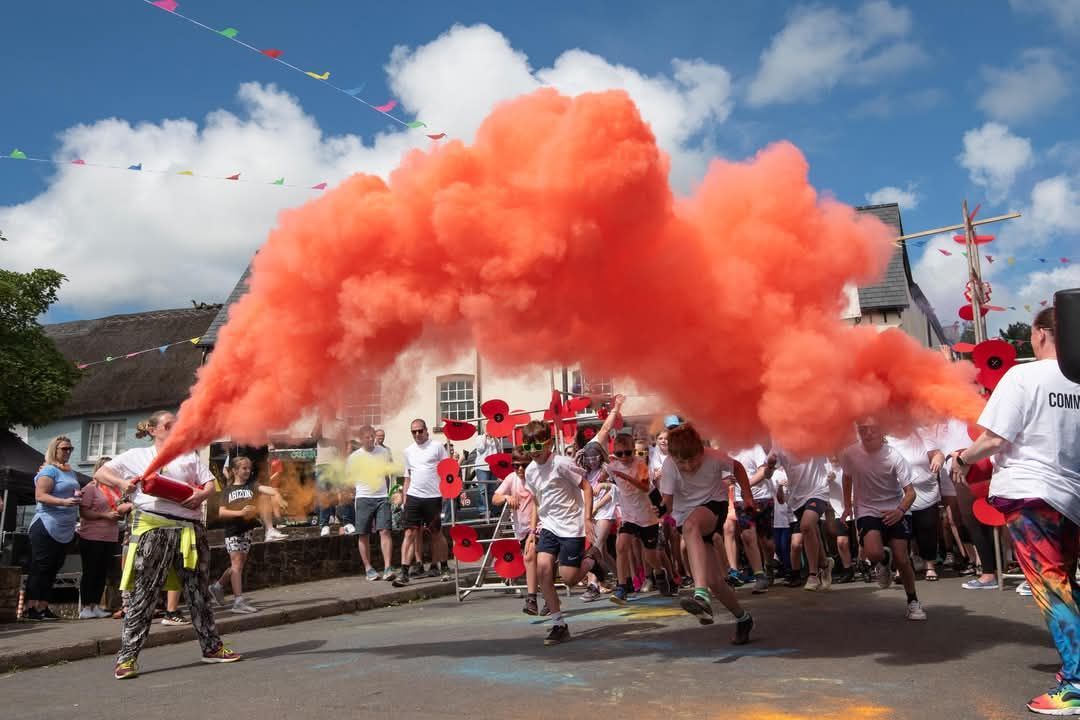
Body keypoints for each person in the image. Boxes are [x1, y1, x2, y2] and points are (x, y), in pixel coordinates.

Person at [950, 307, 1080, 715]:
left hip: (1030, 497)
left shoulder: (1023, 376)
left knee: (1052, 588)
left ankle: (1077, 684)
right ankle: (1074, 670)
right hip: (1071, 498)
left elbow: (992, 439)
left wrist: (962, 460)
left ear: (1042, 333)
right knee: (1066, 585)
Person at [95, 411, 241, 679]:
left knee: (198, 592)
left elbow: (210, 484)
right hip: (155, 528)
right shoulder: (136, 456)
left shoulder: (188, 455)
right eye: (168, 426)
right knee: (145, 594)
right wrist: (123, 483)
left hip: (190, 529)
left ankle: (212, 648)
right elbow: (102, 472)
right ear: (152, 430)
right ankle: (127, 659)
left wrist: (200, 494)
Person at [658, 423, 754, 644]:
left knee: (692, 526)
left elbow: (737, 467)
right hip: (686, 518)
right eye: (682, 461)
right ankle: (743, 618)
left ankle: (700, 594)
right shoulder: (669, 466)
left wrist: (747, 496)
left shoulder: (713, 456)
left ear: (701, 451)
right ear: (673, 457)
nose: (689, 466)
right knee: (715, 582)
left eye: (693, 459)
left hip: (713, 507)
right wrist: (660, 509)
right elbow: (668, 504)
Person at [524, 417, 606, 646]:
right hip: (549, 526)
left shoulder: (561, 463)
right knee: (543, 570)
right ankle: (559, 624)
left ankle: (592, 562)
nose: (533, 451)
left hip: (572, 526)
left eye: (537, 446)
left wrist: (588, 518)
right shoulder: (530, 471)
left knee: (569, 579)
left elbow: (586, 486)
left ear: (549, 444)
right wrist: (532, 530)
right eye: (527, 447)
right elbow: (536, 501)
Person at [839, 418, 926, 621]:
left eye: (873, 429)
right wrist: (847, 505)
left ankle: (913, 601)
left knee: (902, 558)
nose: (868, 434)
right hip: (867, 510)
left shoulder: (894, 456)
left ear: (881, 431)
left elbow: (911, 493)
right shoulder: (851, 453)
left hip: (895, 509)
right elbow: (847, 476)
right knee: (874, 553)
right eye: (863, 430)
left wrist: (900, 510)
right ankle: (882, 562)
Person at [210, 457, 286, 613]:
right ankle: (238, 601)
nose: (247, 471)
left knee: (238, 565)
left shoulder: (252, 486)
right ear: (234, 471)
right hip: (233, 531)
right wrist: (240, 512)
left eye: (249, 468)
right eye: (244, 468)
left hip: (247, 531)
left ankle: (217, 586)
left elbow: (269, 490)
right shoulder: (228, 490)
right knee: (237, 563)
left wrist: (277, 495)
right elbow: (222, 512)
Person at [25, 436, 81, 621]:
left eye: (70, 449)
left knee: (54, 568)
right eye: (64, 448)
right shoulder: (49, 470)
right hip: (46, 524)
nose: (68, 452)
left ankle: (44, 606)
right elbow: (40, 495)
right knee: (40, 567)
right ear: (54, 450)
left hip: (64, 527)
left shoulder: (69, 471)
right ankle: (32, 608)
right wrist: (64, 502)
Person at [393, 419, 451, 585]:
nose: (417, 434)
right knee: (409, 533)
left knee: (436, 534)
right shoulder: (409, 451)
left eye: (420, 431)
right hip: (414, 497)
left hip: (433, 497)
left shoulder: (437, 447)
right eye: (414, 432)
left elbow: (448, 470)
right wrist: (404, 499)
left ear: (426, 430)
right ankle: (403, 572)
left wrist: (446, 492)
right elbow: (407, 477)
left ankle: (444, 567)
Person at [77, 456, 133, 619]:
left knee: (102, 572)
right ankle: (86, 607)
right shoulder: (91, 488)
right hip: (91, 535)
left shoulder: (115, 490)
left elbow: (118, 508)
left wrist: (119, 513)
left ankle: (95, 605)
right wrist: (105, 515)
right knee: (91, 571)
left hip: (110, 536)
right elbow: (83, 512)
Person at [772, 449, 834, 591]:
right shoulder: (778, 441)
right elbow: (768, 470)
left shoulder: (813, 431)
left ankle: (813, 575)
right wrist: (769, 466)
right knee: (812, 531)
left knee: (806, 525)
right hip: (796, 497)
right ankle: (824, 564)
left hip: (818, 490)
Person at [889, 429, 944, 582]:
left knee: (927, 527)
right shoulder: (885, 439)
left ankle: (929, 566)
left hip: (926, 492)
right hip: (899, 494)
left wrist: (938, 460)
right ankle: (902, 568)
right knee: (900, 532)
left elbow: (937, 454)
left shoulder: (922, 433)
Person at [493, 450, 543, 615]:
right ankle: (549, 599)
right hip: (521, 528)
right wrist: (507, 497)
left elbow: (537, 505)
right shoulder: (511, 478)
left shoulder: (535, 477)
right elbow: (495, 498)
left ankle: (532, 599)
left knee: (532, 558)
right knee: (535, 563)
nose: (520, 469)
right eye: (516, 466)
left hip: (540, 524)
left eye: (524, 465)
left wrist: (533, 530)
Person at [348, 425, 396, 581]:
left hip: (382, 497)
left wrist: (389, 492)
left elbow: (388, 474)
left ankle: (388, 567)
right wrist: (357, 493)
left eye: (372, 436)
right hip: (363, 497)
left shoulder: (383, 452)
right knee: (363, 534)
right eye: (367, 437)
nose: (370, 440)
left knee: (385, 531)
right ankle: (368, 568)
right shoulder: (354, 457)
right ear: (361, 438)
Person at [727, 445, 774, 593]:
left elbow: (763, 471)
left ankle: (769, 565)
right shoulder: (725, 452)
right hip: (741, 501)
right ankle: (760, 576)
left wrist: (745, 484)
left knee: (767, 542)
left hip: (763, 498)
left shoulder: (754, 447)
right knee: (747, 535)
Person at [315, 418, 355, 536]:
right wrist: (319, 420)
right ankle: (324, 524)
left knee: (344, 492)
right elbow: (314, 436)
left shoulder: (342, 424)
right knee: (324, 495)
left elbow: (349, 444)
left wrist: (346, 460)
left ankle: (347, 522)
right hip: (323, 464)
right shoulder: (319, 422)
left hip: (339, 464)